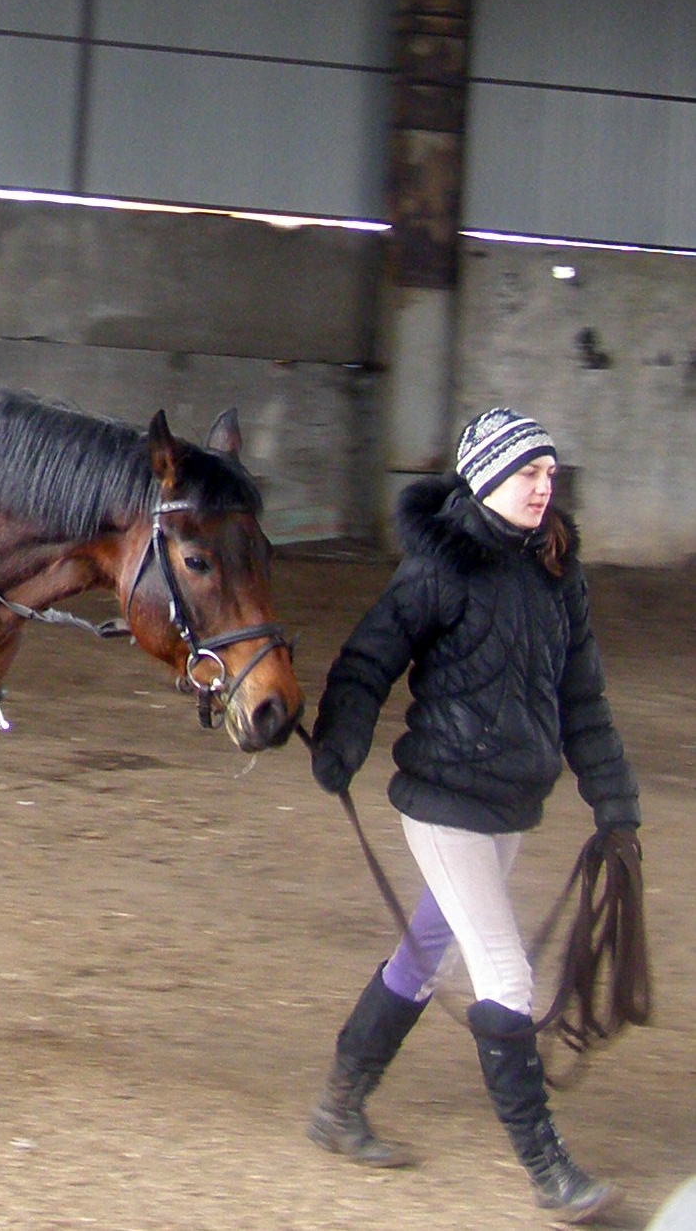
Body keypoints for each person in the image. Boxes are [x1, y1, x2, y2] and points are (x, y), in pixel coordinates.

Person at [306, 408, 640, 1224]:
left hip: (509, 805)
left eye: (550, 473)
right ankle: (549, 1169)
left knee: (426, 951)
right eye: (528, 473)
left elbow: (583, 700)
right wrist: (342, 739)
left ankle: (339, 1103)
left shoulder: (558, 573)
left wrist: (617, 805)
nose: (544, 486)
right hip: (444, 804)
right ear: (486, 477)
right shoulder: (438, 567)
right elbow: (369, 657)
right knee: (505, 973)